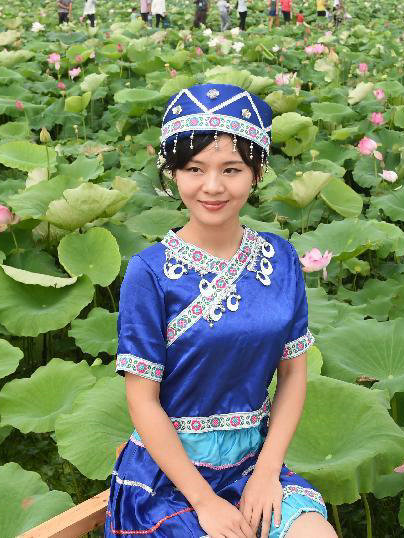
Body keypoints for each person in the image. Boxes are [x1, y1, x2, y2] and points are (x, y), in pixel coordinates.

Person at [105, 82, 336, 538]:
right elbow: (142, 400)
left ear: (256, 173)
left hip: (254, 460)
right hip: (169, 477)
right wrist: (206, 502)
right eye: (194, 168)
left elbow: (292, 374)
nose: (212, 187)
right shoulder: (149, 272)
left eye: (231, 169)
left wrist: (267, 473)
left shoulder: (282, 258)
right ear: (172, 174)